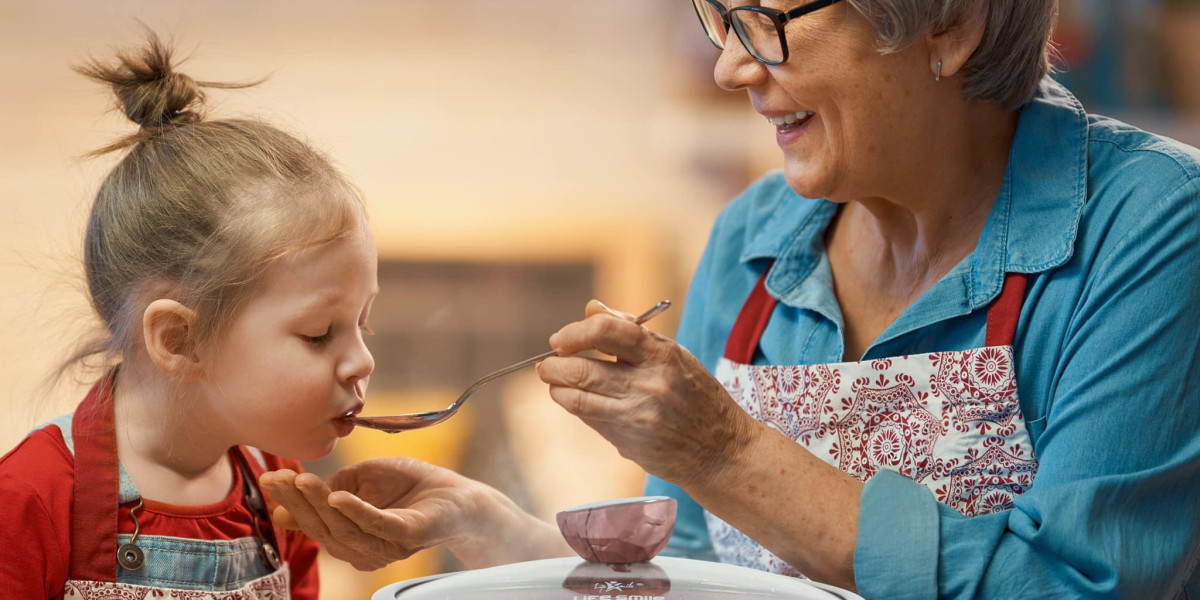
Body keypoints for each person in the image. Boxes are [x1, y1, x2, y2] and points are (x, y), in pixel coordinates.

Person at [261, 0, 1200, 596]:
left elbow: (1073, 586)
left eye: (768, 21)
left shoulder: (1152, 228)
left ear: (947, 24)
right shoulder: (753, 242)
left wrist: (728, 449)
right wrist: (488, 529)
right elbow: (699, 577)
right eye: (722, 15)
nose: (732, 66)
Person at [0, 33, 378, 599]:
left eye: (363, 322)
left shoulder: (281, 488)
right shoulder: (30, 500)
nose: (362, 361)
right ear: (181, 340)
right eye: (319, 334)